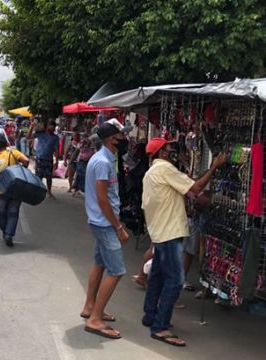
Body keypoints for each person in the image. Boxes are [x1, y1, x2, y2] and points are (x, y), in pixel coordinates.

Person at [141, 137, 226, 347]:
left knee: (159, 276)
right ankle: (160, 327)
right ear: (161, 152)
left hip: (160, 232)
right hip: (169, 233)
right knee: (176, 280)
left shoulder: (151, 172)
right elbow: (195, 188)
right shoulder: (165, 169)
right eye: (169, 148)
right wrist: (214, 167)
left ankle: (151, 316)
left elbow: (187, 187)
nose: (172, 151)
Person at [80, 121, 131, 340]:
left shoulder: (105, 159)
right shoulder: (102, 162)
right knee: (117, 270)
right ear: (112, 139)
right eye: (122, 135)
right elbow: (102, 199)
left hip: (101, 221)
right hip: (104, 223)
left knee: (100, 263)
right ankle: (95, 319)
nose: (125, 139)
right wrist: (118, 227)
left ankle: (90, 307)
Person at [0, 138, 30, 247]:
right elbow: (26, 161)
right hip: (16, 188)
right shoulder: (13, 152)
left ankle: (5, 232)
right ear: (6, 145)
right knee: (13, 213)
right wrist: (21, 171)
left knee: (2, 213)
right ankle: (9, 234)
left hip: (0, 190)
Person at [28, 120, 59, 199]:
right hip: (40, 158)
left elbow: (57, 149)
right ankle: (38, 191)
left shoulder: (55, 137)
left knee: (49, 177)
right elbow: (28, 137)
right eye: (49, 126)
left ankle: (49, 191)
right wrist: (31, 126)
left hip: (49, 159)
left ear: (54, 128)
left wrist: (57, 161)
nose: (50, 128)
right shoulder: (40, 134)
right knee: (39, 176)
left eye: (52, 127)